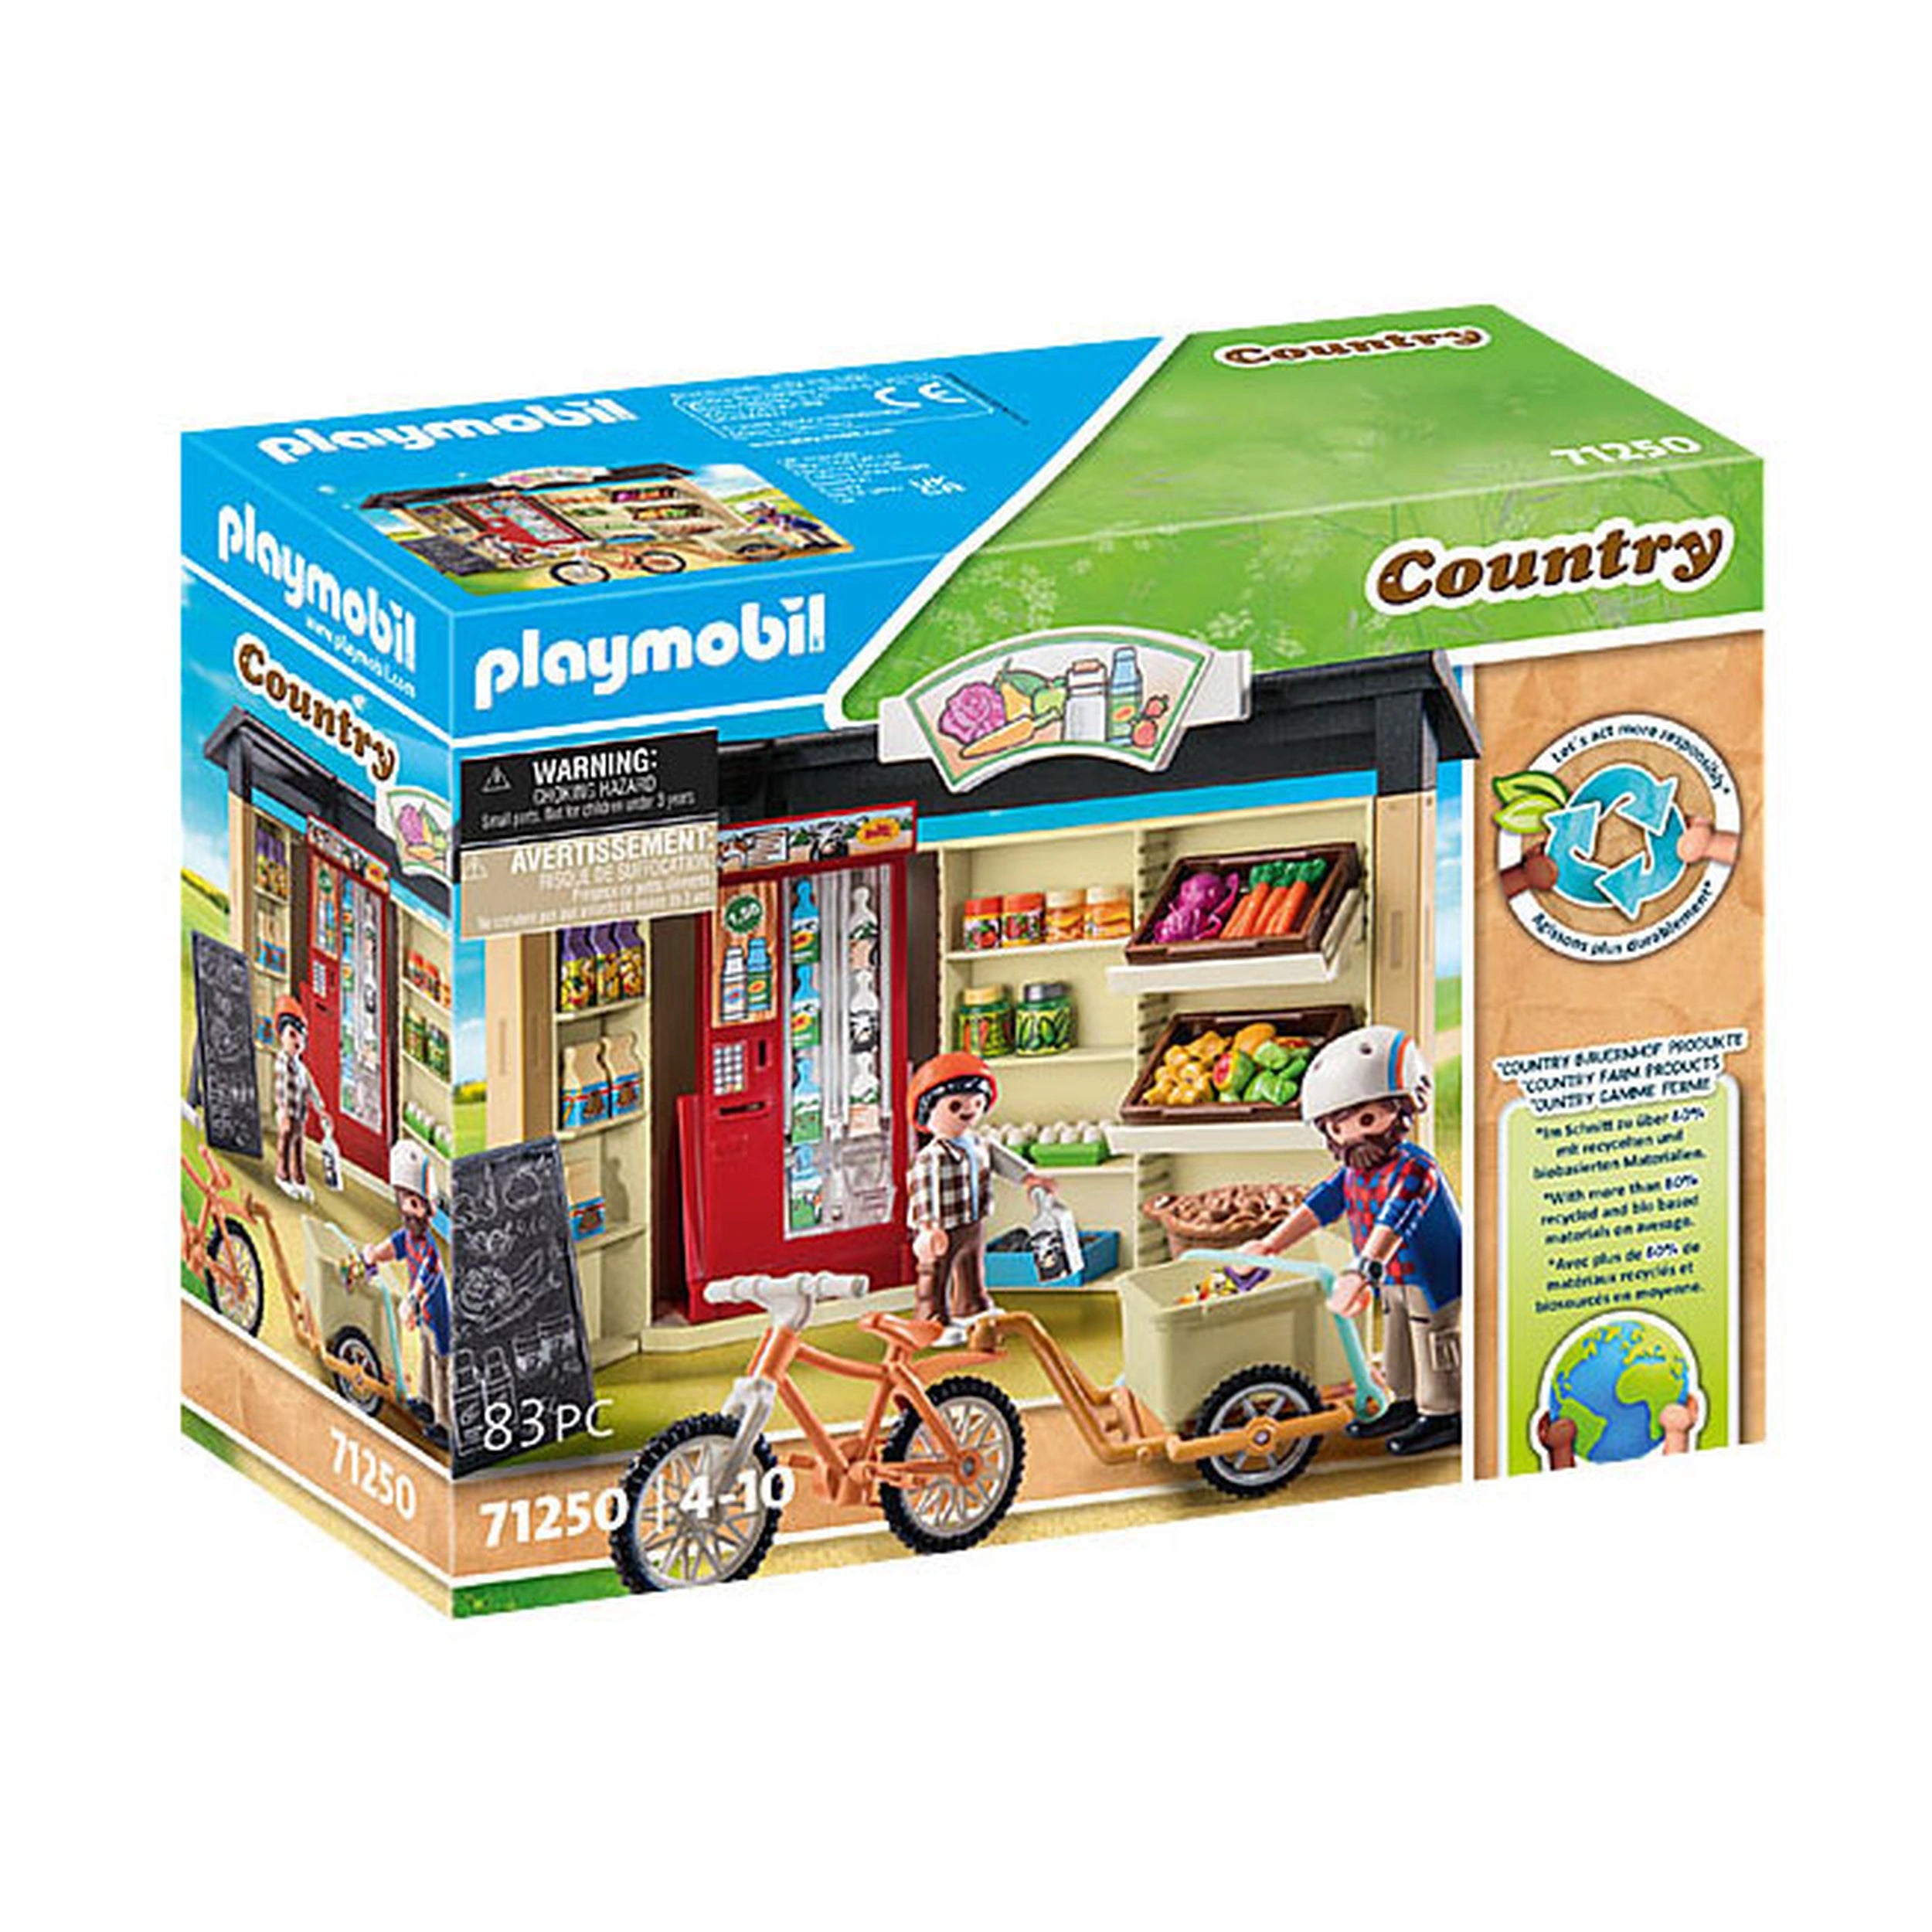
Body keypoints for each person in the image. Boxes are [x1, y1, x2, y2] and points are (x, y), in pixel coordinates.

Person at [1249, 1026, 1464, 1455]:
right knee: (1397, 1342)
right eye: (1338, 1127)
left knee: (1432, 1341)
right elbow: (1319, 1205)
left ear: (1403, 1109)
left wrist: (1362, 1269)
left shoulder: (1415, 1168)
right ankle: (1404, 1402)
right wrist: (1270, 1245)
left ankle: (1444, 1413)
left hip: (1432, 1277)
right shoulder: (1353, 1174)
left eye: (1367, 1120)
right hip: (1390, 1277)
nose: (1353, 1135)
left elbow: (1395, 1219)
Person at [906, 1052, 1057, 1344]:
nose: (969, 1110)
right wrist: (927, 1227)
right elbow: (923, 1191)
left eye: (977, 1103)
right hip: (942, 1228)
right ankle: (931, 1319)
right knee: (935, 1274)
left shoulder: (978, 1143)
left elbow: (1003, 1161)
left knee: (971, 1266)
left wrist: (1029, 1178)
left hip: (973, 1219)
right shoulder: (932, 1156)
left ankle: (971, 1306)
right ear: (928, 1110)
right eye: (956, 1105)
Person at [363, 1141, 451, 1448]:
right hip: (424, 1318)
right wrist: (374, 1254)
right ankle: (426, 1402)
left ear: (428, 1208)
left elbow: (426, 1278)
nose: (408, 1211)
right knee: (425, 1354)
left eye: (414, 1204)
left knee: (441, 1366)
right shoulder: (408, 1238)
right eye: (404, 1202)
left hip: (437, 1318)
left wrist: (412, 1302)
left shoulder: (430, 1250)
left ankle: (446, 1424)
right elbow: (393, 1247)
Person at [272, 995, 332, 1201]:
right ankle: (283, 1175)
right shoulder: (283, 1062)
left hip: (299, 1114)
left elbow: (310, 1088)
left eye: (301, 1037)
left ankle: (299, 1178)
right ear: (282, 1036)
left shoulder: (300, 1068)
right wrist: (283, 1113)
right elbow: (281, 1088)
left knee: (298, 1147)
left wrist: (321, 1109)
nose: (297, 1041)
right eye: (292, 1035)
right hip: (287, 1114)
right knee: (286, 1143)